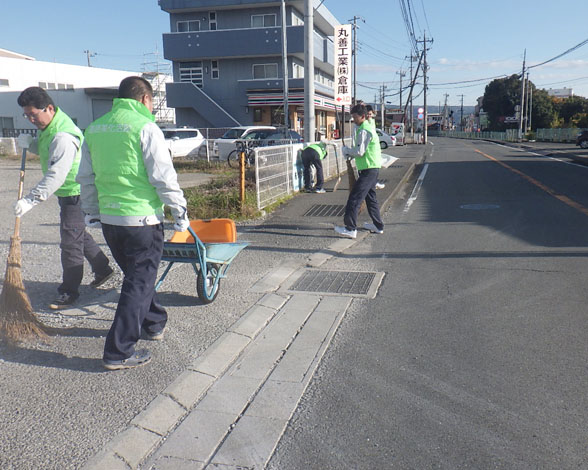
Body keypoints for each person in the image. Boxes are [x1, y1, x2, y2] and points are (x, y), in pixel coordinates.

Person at [77, 76, 189, 370]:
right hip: (142, 220)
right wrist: (179, 211)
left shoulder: (96, 128)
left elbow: (86, 177)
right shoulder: (145, 127)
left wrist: (90, 211)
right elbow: (163, 177)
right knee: (138, 283)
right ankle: (118, 351)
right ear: (144, 99)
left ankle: (153, 323)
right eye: (151, 103)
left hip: (111, 222)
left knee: (137, 279)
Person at [15, 87, 114, 310]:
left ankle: (69, 291)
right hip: (68, 191)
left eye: (33, 114)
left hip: (75, 192)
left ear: (49, 108)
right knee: (76, 232)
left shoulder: (62, 135)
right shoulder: (48, 127)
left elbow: (56, 174)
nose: (31, 119)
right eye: (26, 115)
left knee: (70, 242)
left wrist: (31, 200)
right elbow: (48, 152)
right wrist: (30, 145)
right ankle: (103, 268)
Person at [334, 103, 384, 239]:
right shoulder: (365, 127)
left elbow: (359, 152)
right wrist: (350, 153)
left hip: (369, 169)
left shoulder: (364, 130)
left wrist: (347, 152)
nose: (353, 119)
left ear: (362, 116)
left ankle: (350, 228)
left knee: (355, 198)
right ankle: (378, 226)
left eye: (355, 117)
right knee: (371, 198)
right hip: (371, 167)